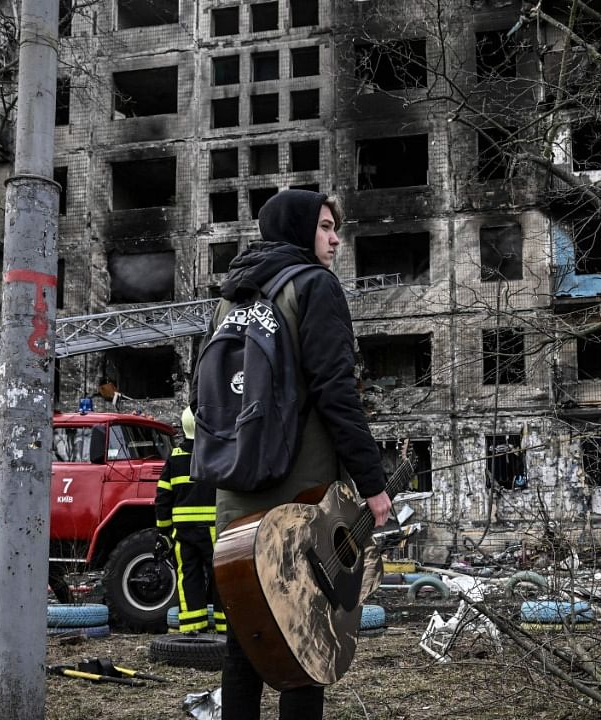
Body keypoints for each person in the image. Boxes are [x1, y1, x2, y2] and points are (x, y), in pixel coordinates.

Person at [203, 189, 391, 720]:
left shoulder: (232, 296)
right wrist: (373, 483)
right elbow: (337, 392)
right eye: (327, 227)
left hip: (236, 490)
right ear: (299, 229)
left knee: (247, 640)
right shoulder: (314, 285)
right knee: (308, 644)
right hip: (298, 491)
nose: (336, 239)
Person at [154, 407, 224, 634]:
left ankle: (193, 627)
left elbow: (163, 497)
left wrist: (163, 532)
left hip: (183, 531)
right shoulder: (217, 454)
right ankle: (225, 626)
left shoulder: (174, 458)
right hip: (214, 529)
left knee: (188, 575)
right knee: (220, 574)